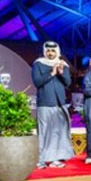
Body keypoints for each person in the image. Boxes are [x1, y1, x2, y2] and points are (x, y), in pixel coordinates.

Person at [32, 41, 74, 169]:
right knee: (44, 132)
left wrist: (61, 72)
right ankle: (40, 160)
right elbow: (37, 82)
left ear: (57, 52)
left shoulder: (63, 64)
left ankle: (54, 159)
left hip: (59, 103)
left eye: (53, 51)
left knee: (56, 132)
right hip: (45, 102)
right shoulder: (38, 64)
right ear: (45, 51)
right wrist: (52, 73)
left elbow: (68, 83)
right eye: (48, 51)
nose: (50, 53)